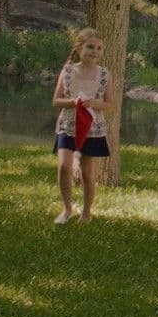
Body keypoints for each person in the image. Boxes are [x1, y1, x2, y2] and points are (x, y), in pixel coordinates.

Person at [51, 28, 112, 224]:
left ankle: (86, 213)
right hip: (68, 125)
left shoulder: (104, 74)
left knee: (86, 172)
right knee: (64, 166)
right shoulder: (68, 71)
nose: (95, 51)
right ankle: (67, 209)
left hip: (91, 127)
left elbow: (109, 104)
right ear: (79, 48)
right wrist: (72, 102)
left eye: (99, 48)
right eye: (90, 47)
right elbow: (56, 100)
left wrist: (95, 103)